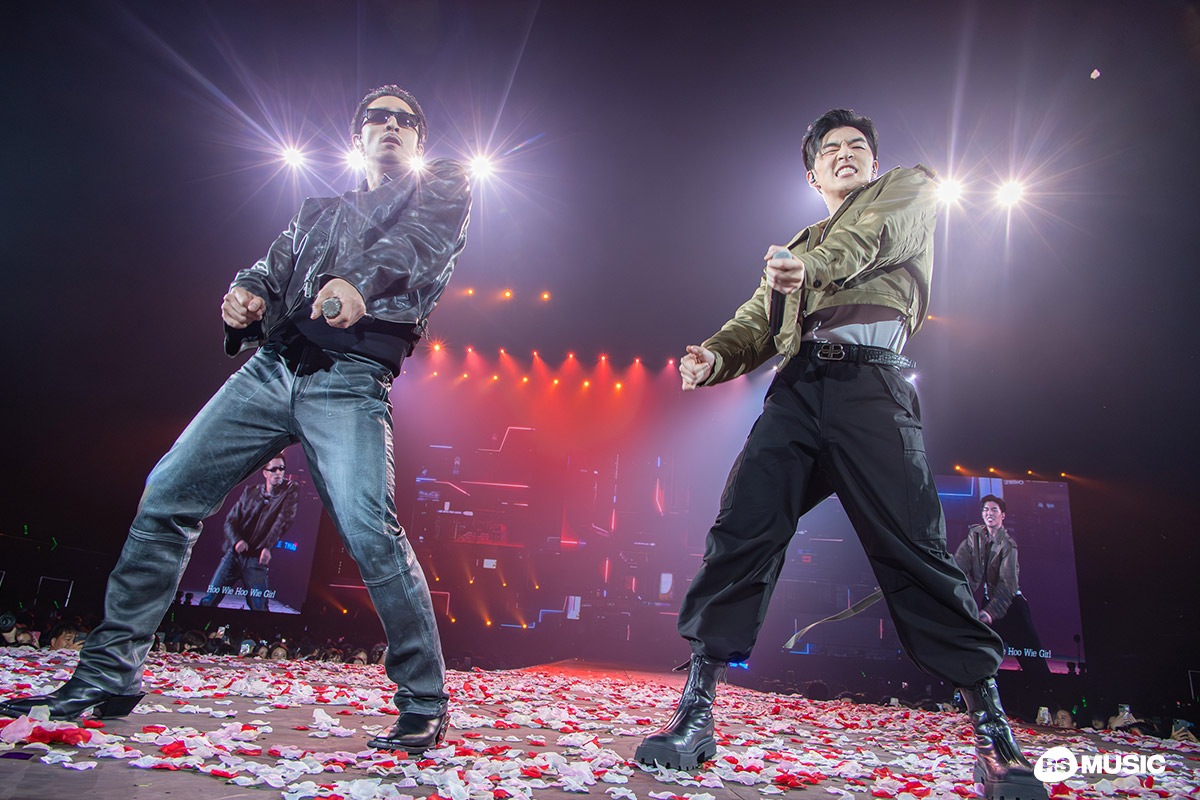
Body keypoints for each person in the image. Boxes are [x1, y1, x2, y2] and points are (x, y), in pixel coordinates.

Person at [1, 84, 471, 755]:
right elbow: (270, 267)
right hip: (272, 367)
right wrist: (246, 295)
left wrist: (357, 284)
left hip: (349, 378)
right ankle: (107, 675)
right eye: (378, 117)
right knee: (167, 495)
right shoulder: (317, 210)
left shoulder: (444, 185)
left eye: (406, 119)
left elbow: (421, 247)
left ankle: (424, 700)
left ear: (421, 139)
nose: (391, 125)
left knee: (371, 530)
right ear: (358, 135)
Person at [634, 109, 1047, 800]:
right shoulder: (797, 246)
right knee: (742, 532)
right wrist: (714, 357)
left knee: (914, 549)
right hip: (798, 391)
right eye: (831, 149)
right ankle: (695, 715)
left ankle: (992, 735)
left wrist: (810, 268)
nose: (845, 153)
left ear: (874, 162)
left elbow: (866, 239)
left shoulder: (908, 190)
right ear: (812, 173)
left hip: (873, 390)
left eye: (857, 146)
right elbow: (757, 321)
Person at [953, 495, 1049, 676]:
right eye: (985, 510)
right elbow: (959, 565)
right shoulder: (975, 538)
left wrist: (990, 613)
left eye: (994, 510)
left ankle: (1049, 693)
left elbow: (1008, 585)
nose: (989, 513)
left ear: (1002, 515)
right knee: (977, 658)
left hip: (1011, 608)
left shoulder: (1008, 546)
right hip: (989, 604)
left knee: (1034, 664)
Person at [199, 453, 299, 611]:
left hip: (256, 559)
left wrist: (267, 546)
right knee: (209, 600)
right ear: (265, 473)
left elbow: (283, 520)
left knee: (260, 608)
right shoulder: (250, 492)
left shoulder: (290, 489)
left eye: (281, 468)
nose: (278, 473)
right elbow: (230, 520)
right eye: (273, 469)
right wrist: (237, 541)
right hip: (234, 556)